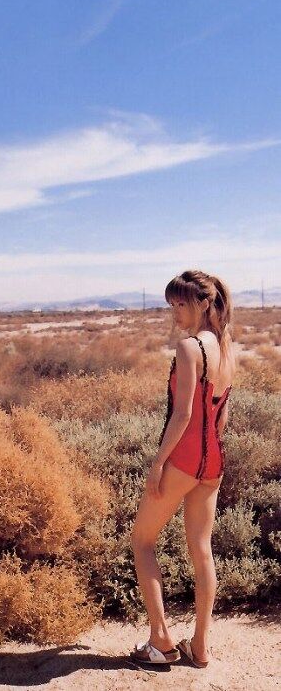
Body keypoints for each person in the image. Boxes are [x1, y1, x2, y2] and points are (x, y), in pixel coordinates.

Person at [130, 270, 236, 668]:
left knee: (142, 541)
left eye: (181, 304)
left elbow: (183, 414)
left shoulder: (190, 347)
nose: (175, 312)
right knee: (201, 551)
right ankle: (200, 647)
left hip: (183, 458)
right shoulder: (227, 348)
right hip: (214, 461)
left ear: (204, 304)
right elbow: (221, 418)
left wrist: (159, 464)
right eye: (171, 304)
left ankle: (161, 641)